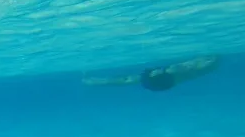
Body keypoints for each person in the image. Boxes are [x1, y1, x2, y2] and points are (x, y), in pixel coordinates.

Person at [82, 55, 220, 91]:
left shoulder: (149, 78)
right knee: (188, 72)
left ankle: (96, 82)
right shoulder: (172, 74)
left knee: (187, 71)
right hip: (160, 82)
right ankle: (208, 61)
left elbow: (124, 80)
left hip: (157, 83)